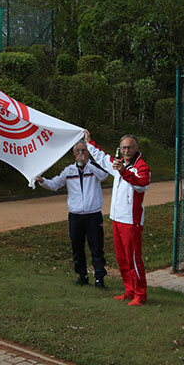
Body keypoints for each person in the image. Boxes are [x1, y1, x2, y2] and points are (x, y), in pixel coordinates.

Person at [83, 130, 151, 306]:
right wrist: (89, 142)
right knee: (122, 259)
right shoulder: (118, 164)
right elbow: (102, 157)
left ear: (136, 148)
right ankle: (129, 291)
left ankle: (140, 294)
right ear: (119, 149)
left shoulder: (141, 167)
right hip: (117, 218)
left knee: (133, 259)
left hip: (131, 221)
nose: (126, 151)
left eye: (129, 147)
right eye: (123, 148)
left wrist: (123, 172)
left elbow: (142, 184)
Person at [35, 140, 109, 288]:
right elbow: (55, 184)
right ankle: (82, 276)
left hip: (93, 214)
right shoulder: (69, 170)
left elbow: (104, 176)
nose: (81, 153)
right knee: (77, 247)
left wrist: (87, 163)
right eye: (78, 151)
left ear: (88, 153)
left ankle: (99, 278)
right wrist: (42, 181)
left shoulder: (94, 167)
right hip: (75, 215)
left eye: (84, 150)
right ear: (74, 153)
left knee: (96, 247)